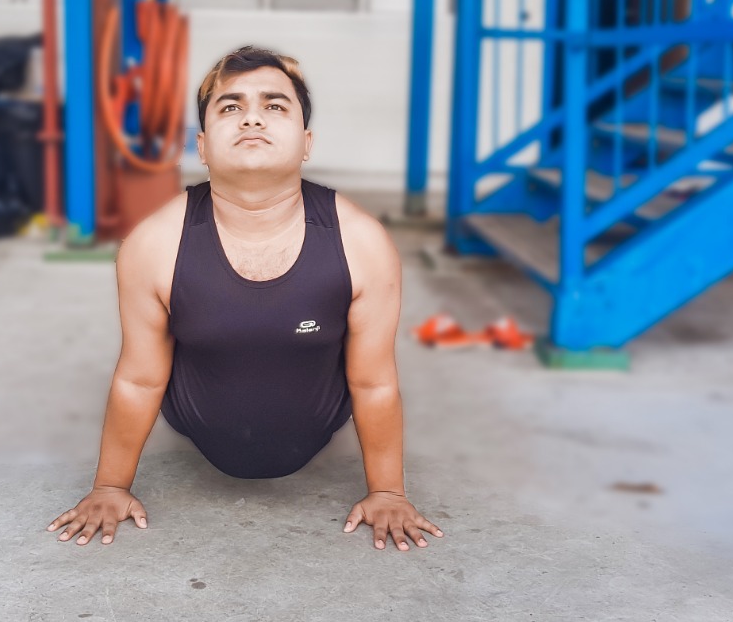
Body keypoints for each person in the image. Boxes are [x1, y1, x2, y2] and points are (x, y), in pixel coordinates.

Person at [46, 46, 443, 552]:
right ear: (203, 145)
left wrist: (388, 491)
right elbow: (140, 377)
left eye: (275, 106)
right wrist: (109, 486)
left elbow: (373, 380)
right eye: (229, 107)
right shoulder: (153, 243)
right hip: (193, 418)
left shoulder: (362, 242)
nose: (252, 116)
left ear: (306, 143)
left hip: (322, 420)